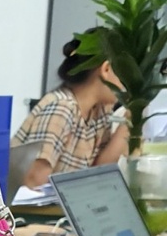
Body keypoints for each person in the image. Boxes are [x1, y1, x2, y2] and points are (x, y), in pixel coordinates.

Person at [11, 34, 130, 189]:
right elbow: (34, 182)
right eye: (124, 72)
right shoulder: (62, 107)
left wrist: (131, 116)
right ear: (106, 69)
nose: (126, 84)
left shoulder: (100, 111)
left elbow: (100, 171)